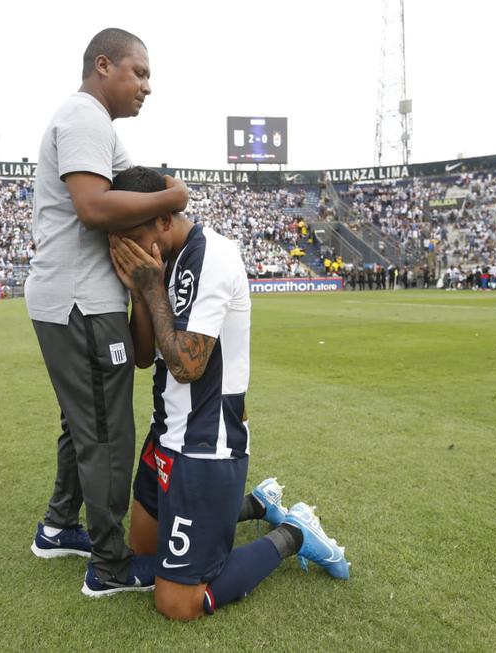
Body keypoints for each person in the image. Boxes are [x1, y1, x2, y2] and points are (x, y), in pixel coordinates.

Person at [107, 167, 349, 621]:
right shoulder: (161, 261)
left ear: (163, 219)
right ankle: (258, 504)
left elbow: (187, 365)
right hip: (166, 433)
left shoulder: (213, 255)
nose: (129, 250)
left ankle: (294, 531)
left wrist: (152, 287)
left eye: (135, 235)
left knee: (176, 601)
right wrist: (141, 293)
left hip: (206, 446)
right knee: (143, 549)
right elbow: (144, 356)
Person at [25, 28, 189, 597]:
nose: (146, 86)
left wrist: (159, 192)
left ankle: (58, 526)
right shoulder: (85, 118)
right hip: (80, 302)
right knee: (108, 431)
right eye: (138, 73)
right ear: (103, 66)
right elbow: (95, 206)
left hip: (72, 298)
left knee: (82, 423)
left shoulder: (98, 128)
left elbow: (129, 189)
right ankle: (111, 564)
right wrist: (174, 199)